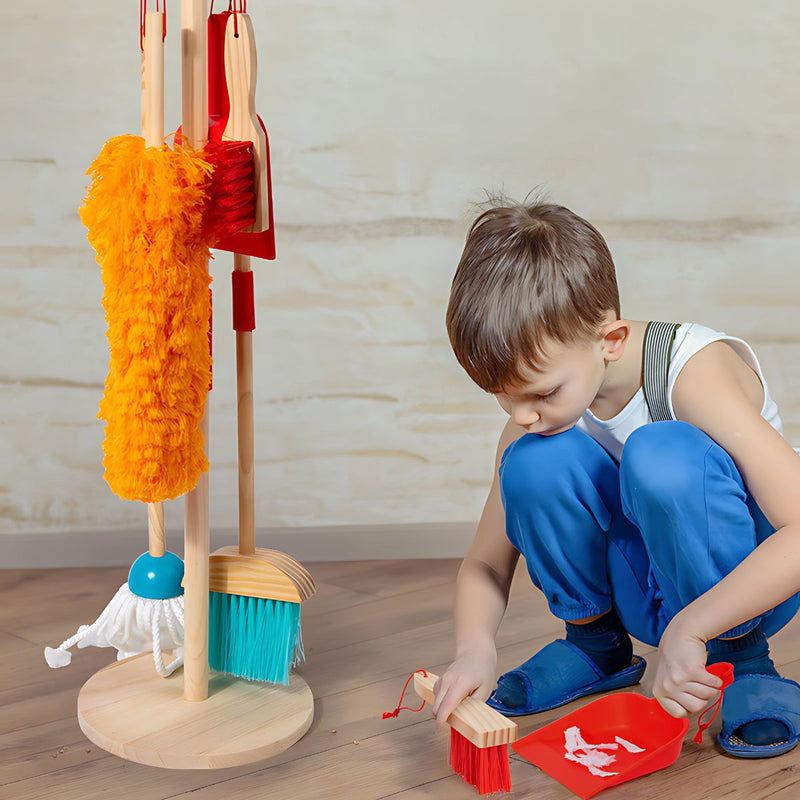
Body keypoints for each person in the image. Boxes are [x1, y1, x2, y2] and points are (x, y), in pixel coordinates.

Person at [432, 197, 800, 757]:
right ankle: (596, 645)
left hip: (744, 586)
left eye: (542, 392)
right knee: (531, 461)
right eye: (504, 396)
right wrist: (474, 648)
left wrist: (694, 627)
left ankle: (743, 659)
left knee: (661, 453)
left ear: (611, 340)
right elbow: (485, 561)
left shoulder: (690, 373)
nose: (521, 414)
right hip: (648, 586)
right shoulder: (538, 412)